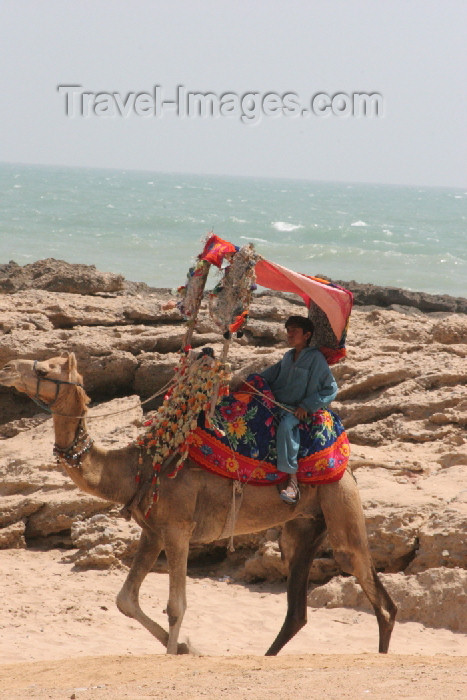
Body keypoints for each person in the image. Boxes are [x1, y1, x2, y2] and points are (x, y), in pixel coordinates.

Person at [260, 315, 338, 504]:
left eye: (294, 330)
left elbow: (331, 388)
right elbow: (270, 374)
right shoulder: (288, 356)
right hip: (277, 404)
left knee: (286, 427)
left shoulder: (316, 358)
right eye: (288, 330)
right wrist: (252, 380)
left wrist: (307, 405)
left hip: (297, 410)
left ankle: (291, 480)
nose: (290, 334)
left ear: (307, 335)